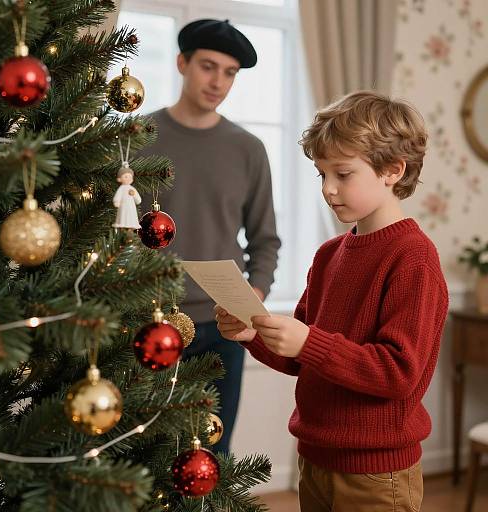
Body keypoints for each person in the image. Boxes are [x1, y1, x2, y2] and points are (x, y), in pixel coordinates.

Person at [215, 91, 449, 511]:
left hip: (378, 476)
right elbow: (302, 359)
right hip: (316, 460)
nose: (328, 189)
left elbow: (398, 373)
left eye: (343, 174)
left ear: (393, 170)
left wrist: (308, 342)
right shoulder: (329, 255)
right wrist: (253, 334)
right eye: (321, 174)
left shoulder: (414, 257)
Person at [138, 19, 281, 453]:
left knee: (210, 455)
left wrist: (252, 295)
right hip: (151, 320)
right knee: (144, 454)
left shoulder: (248, 149)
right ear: (182, 63)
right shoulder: (139, 138)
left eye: (230, 72)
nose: (218, 81)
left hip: (223, 328)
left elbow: (265, 240)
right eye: (208, 66)